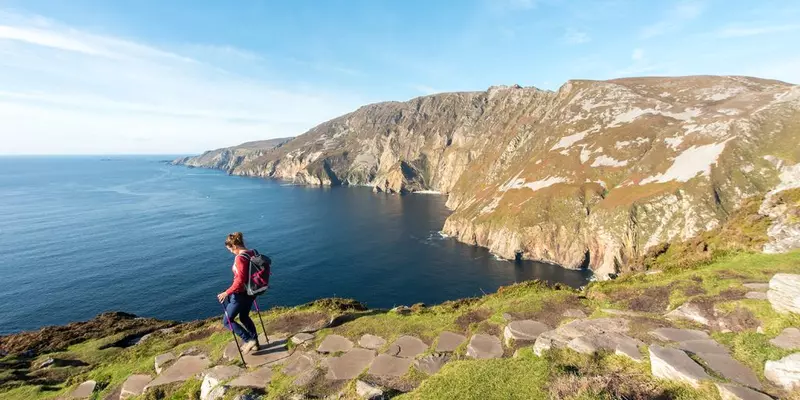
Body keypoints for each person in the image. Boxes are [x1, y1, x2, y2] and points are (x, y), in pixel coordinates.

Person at [217, 232, 259, 353]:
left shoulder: (240, 258)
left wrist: (226, 292)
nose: (230, 252)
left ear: (234, 246)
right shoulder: (253, 252)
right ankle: (255, 343)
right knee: (244, 317)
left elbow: (240, 280)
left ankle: (249, 340)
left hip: (240, 294)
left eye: (230, 249)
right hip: (252, 291)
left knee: (227, 321)